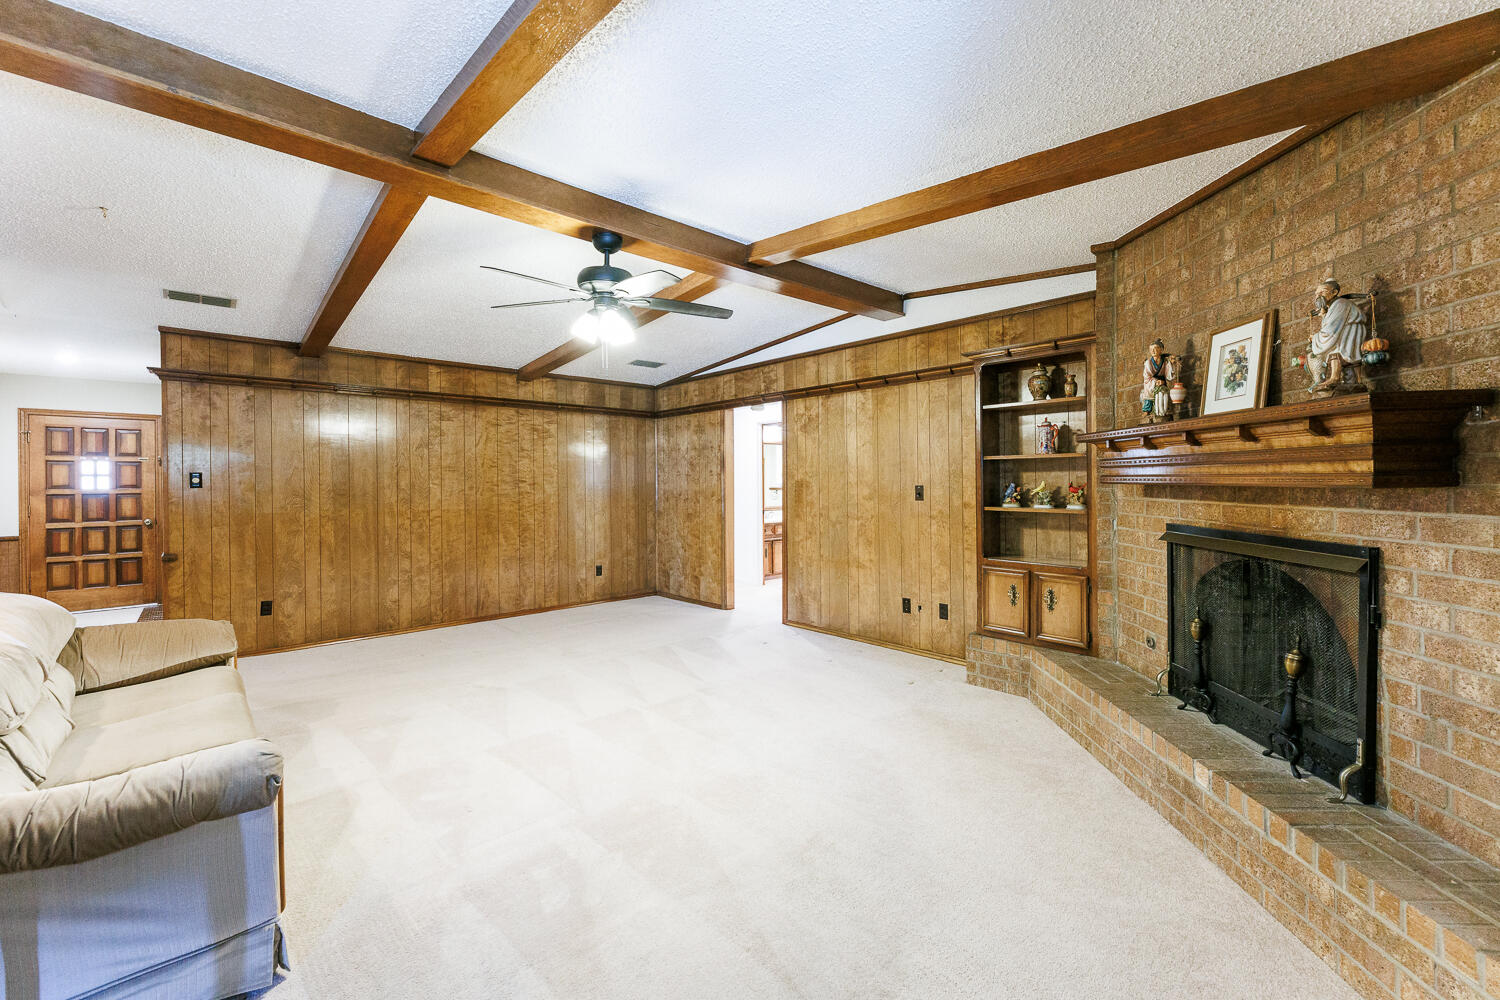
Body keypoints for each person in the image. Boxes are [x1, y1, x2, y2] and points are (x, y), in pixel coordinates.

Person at [1308, 279, 1368, 393]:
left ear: (1334, 292)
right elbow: (1331, 325)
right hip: (1345, 332)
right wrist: (1324, 315)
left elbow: (1331, 328)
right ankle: (1355, 381)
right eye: (1316, 294)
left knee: (1335, 348)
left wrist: (1316, 338)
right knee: (1343, 353)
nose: (1318, 296)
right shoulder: (1333, 306)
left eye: (1322, 292)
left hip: (1349, 332)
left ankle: (1335, 377)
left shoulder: (1340, 304)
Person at [1141, 340, 1171, 418]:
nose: (1153, 351)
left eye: (1155, 348)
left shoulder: (1165, 361)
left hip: (1162, 381)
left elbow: (1168, 374)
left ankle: (1163, 409)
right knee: (1148, 391)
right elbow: (1147, 376)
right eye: (1151, 349)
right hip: (1151, 381)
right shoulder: (1148, 362)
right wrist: (1156, 381)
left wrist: (1172, 364)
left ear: (1161, 350)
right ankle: (1147, 409)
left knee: (1164, 393)